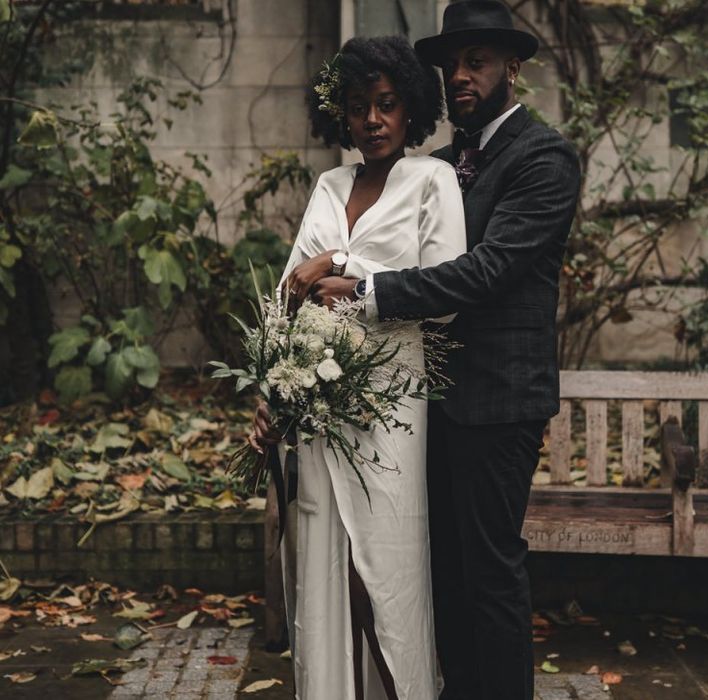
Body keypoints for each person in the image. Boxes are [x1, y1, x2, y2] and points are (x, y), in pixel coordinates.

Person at [299, 3, 582, 699]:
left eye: (476, 61)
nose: (460, 75)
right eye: (452, 63)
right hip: (431, 402)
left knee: (490, 571)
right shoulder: (442, 163)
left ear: (511, 67)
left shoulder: (543, 157)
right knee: (444, 572)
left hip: (501, 399)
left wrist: (358, 290)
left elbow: (484, 272)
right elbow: (392, 238)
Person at [252, 35, 467, 699]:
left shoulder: (432, 179)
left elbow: (447, 295)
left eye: (387, 104)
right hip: (318, 407)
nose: (372, 120)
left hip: (391, 405)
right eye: (358, 106)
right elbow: (287, 295)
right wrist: (271, 392)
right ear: (338, 115)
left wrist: (346, 265)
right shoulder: (327, 183)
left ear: (411, 112)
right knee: (323, 566)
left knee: (383, 568)